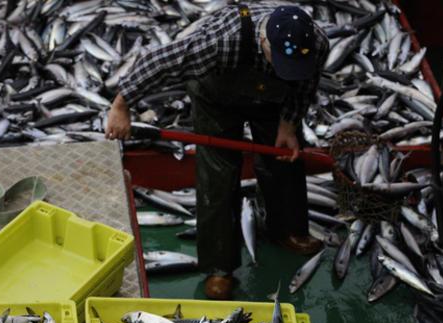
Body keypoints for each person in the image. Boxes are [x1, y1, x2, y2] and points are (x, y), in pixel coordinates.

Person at [105, 2, 330, 300]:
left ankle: (286, 229)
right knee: (218, 174)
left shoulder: (316, 45)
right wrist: (122, 105)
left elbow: (304, 86)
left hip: (274, 100)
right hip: (217, 97)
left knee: (283, 160)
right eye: (277, 61)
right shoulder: (222, 43)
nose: (284, 70)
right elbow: (159, 62)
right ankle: (219, 267)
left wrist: (289, 124)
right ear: (263, 41)